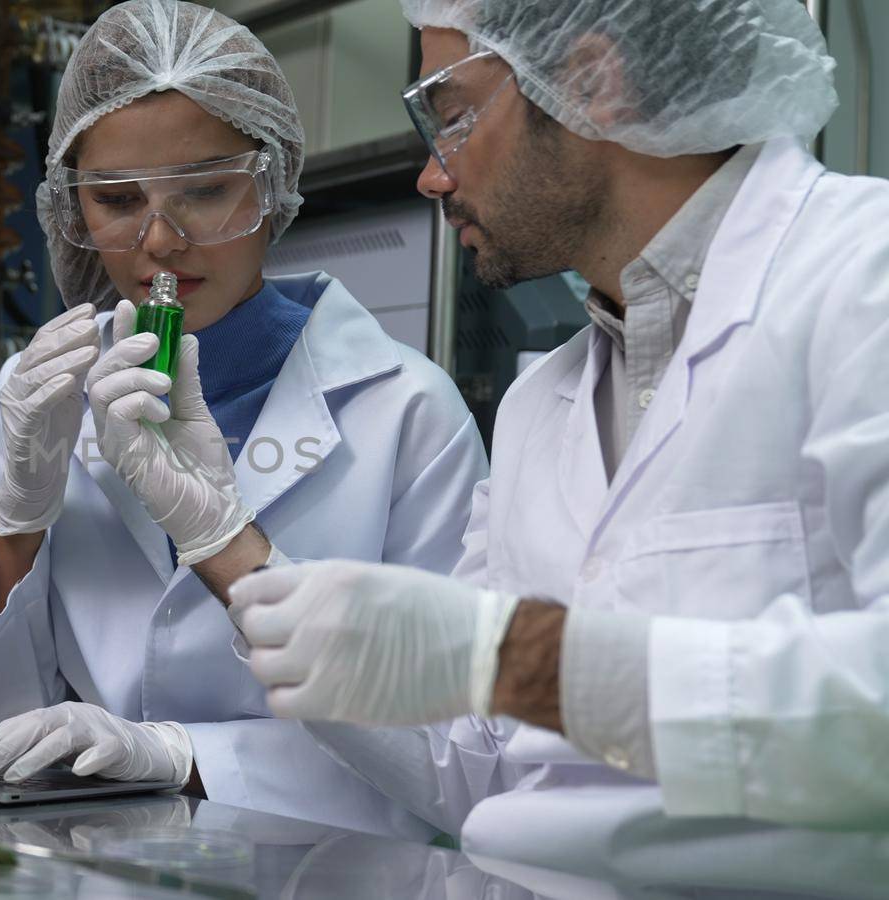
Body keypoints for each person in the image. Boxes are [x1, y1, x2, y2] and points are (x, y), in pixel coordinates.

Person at [229, 0, 889, 888]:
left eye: (451, 112)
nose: (431, 174)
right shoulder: (541, 402)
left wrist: (519, 659)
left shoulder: (863, 276)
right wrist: (223, 546)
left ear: (590, 83)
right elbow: (475, 774)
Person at [0, 0, 486, 834]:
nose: (161, 240)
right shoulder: (43, 389)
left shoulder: (405, 411)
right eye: (116, 199)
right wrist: (16, 530)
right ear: (70, 213)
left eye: (206, 192)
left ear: (272, 184)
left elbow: (449, 753)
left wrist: (184, 756)